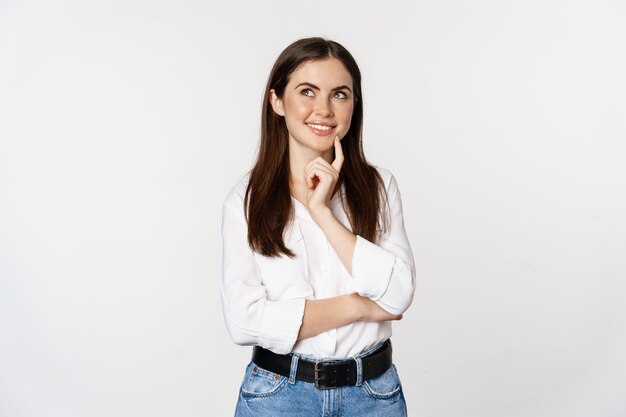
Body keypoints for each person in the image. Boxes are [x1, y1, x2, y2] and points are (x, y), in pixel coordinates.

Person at [220, 37, 416, 417]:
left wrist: (323, 212)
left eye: (340, 94)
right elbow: (243, 322)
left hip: (373, 397)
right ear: (277, 101)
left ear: (354, 105)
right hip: (277, 397)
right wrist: (356, 306)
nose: (323, 109)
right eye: (307, 91)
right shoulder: (245, 199)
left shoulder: (379, 187)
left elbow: (398, 295)